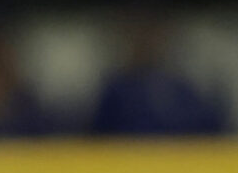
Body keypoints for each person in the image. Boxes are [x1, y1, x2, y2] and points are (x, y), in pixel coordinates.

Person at [89, 11, 228, 136]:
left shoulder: (182, 89)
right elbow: (98, 138)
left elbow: (209, 130)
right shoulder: (115, 90)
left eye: (152, 35)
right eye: (138, 35)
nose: (146, 42)